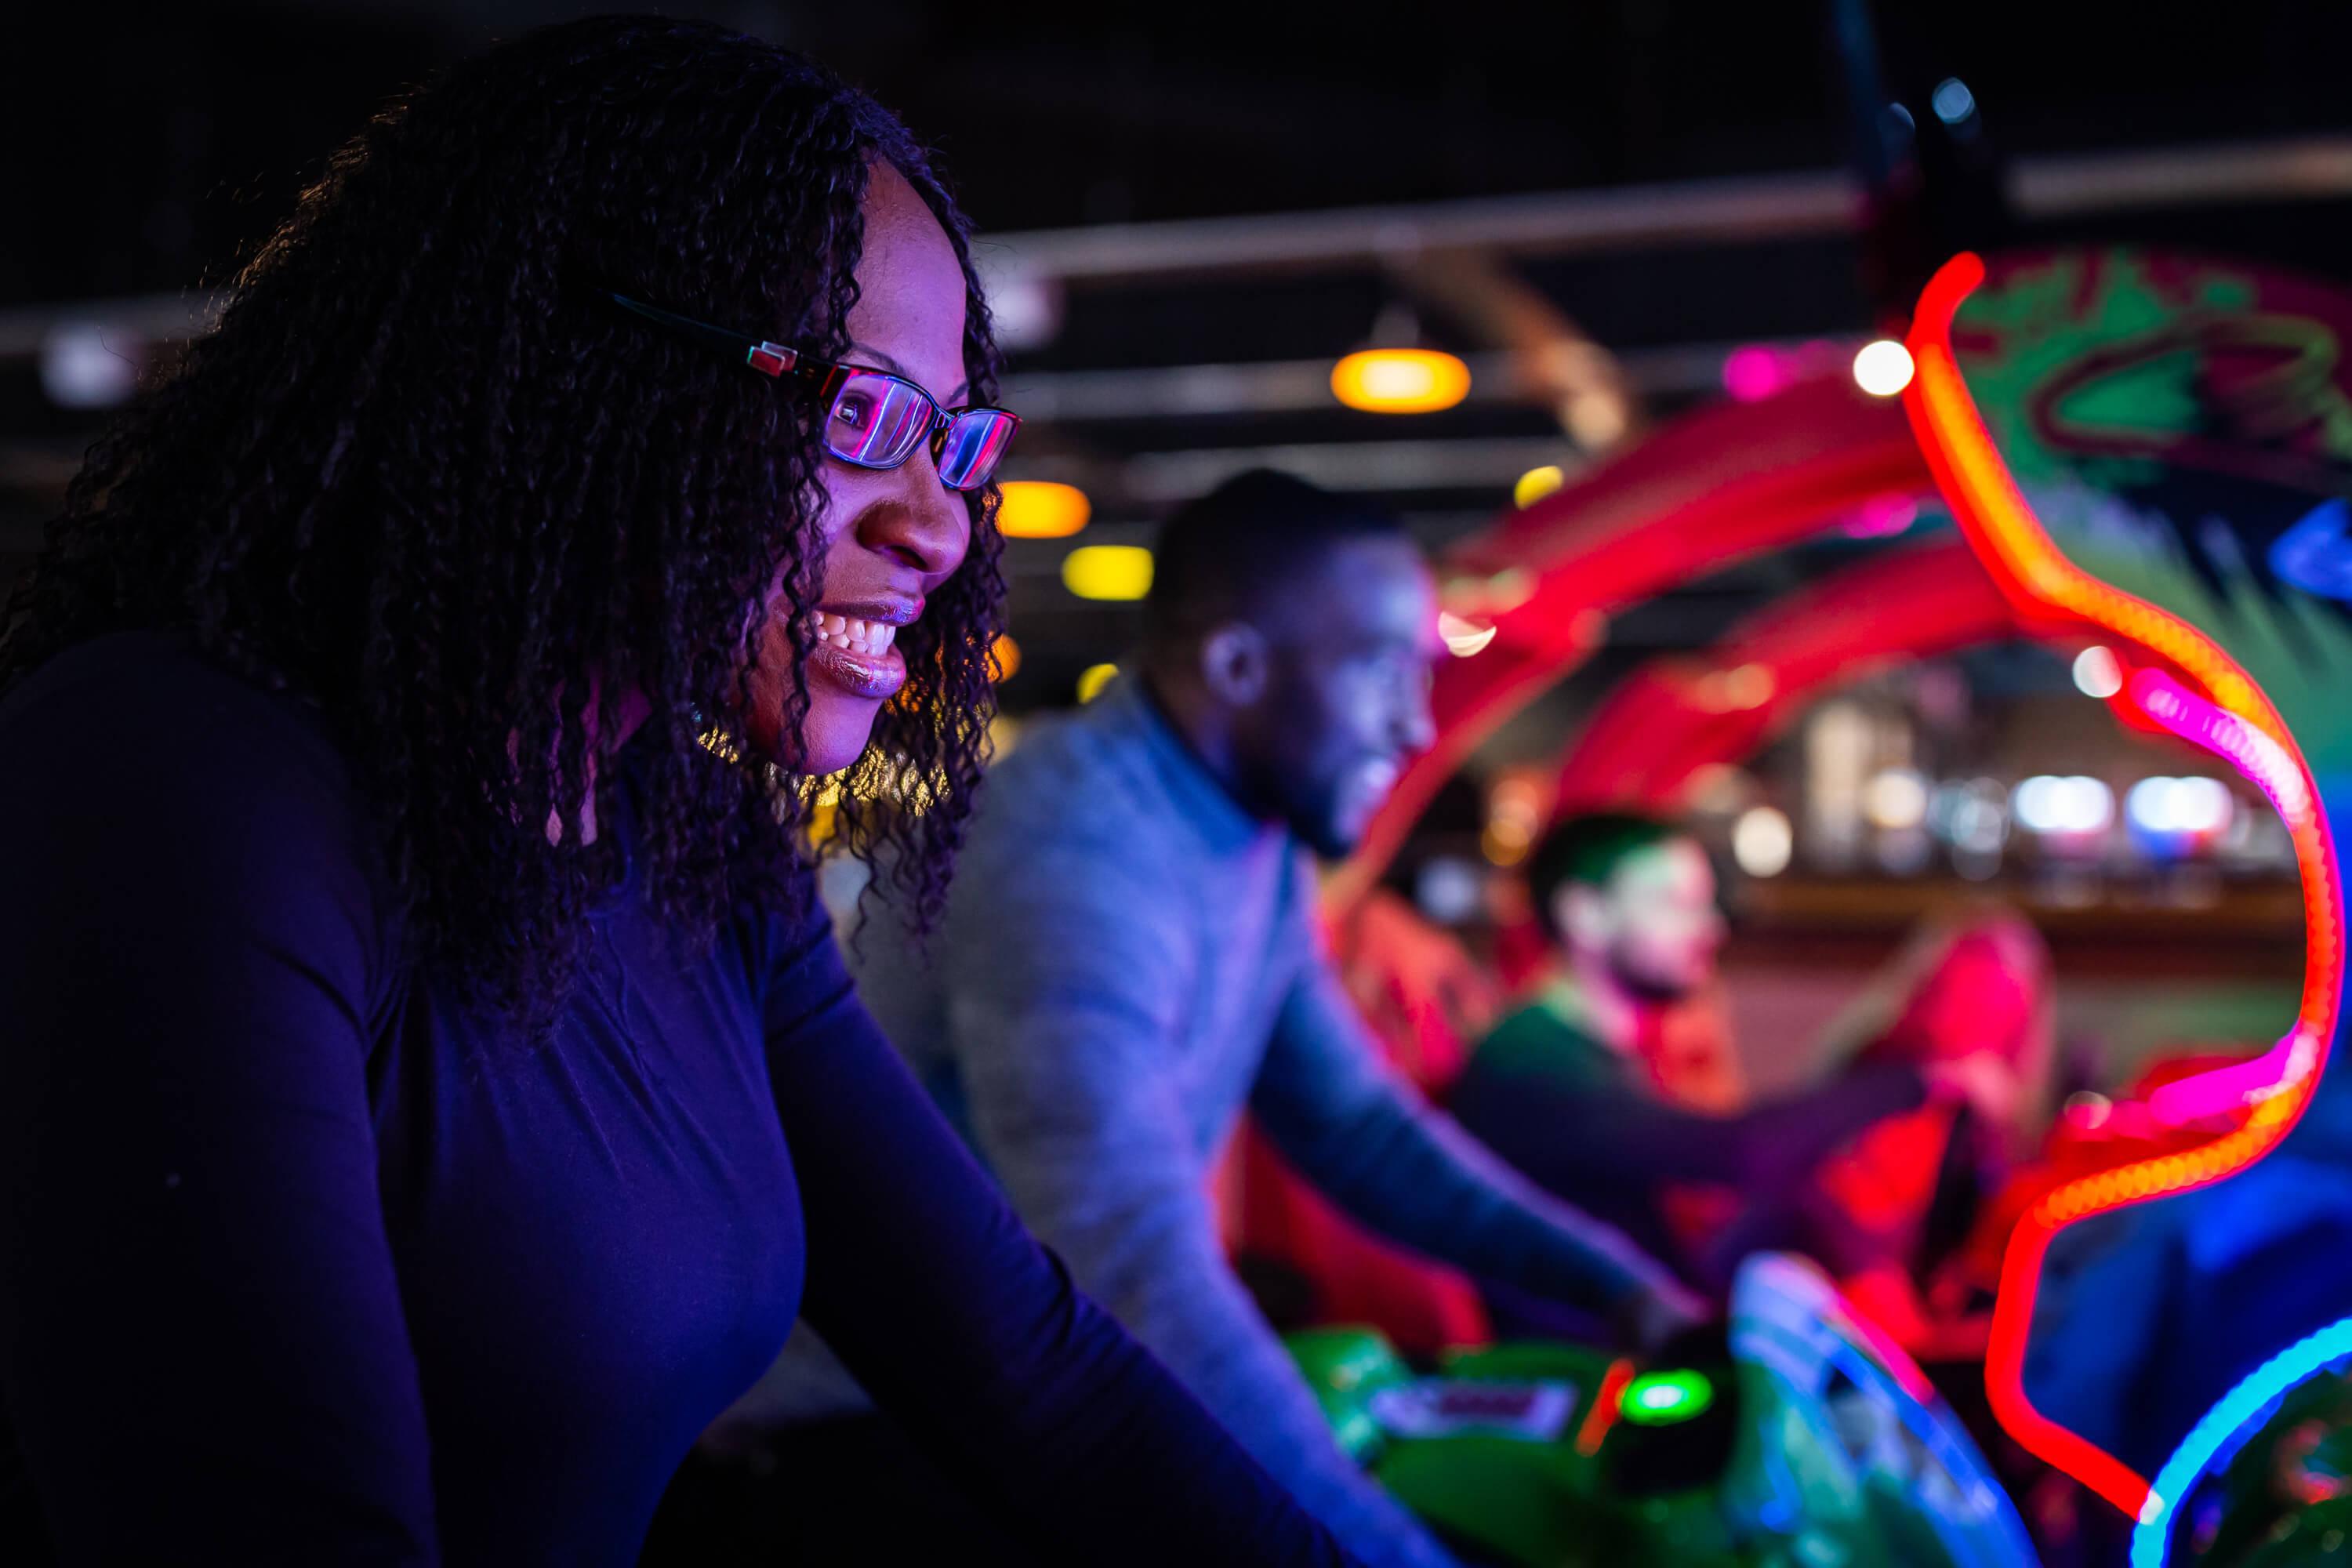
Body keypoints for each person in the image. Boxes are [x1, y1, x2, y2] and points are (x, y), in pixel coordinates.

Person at [0, 21, 1366, 1567]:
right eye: (860, 416)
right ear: (585, 381)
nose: (937, 522)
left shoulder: (695, 839)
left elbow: (1037, 1376)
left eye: (951, 441)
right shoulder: (182, 788)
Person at [742, 470, 1706, 1568]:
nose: (1411, 723)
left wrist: (1620, 1288)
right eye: (1383, 673)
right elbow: (1127, 1254)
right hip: (864, 1425)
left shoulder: (1253, 840)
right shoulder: (1074, 846)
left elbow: (1359, 1132)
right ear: (1237, 668)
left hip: (1027, 1382)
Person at [1447, 811, 2033, 1299]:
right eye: (1677, 904)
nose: (1709, 928)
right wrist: (1921, 1079)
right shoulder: (1527, 1066)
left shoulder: (1604, 1049)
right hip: (1583, 1365)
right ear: (1585, 915)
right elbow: (1740, 1154)